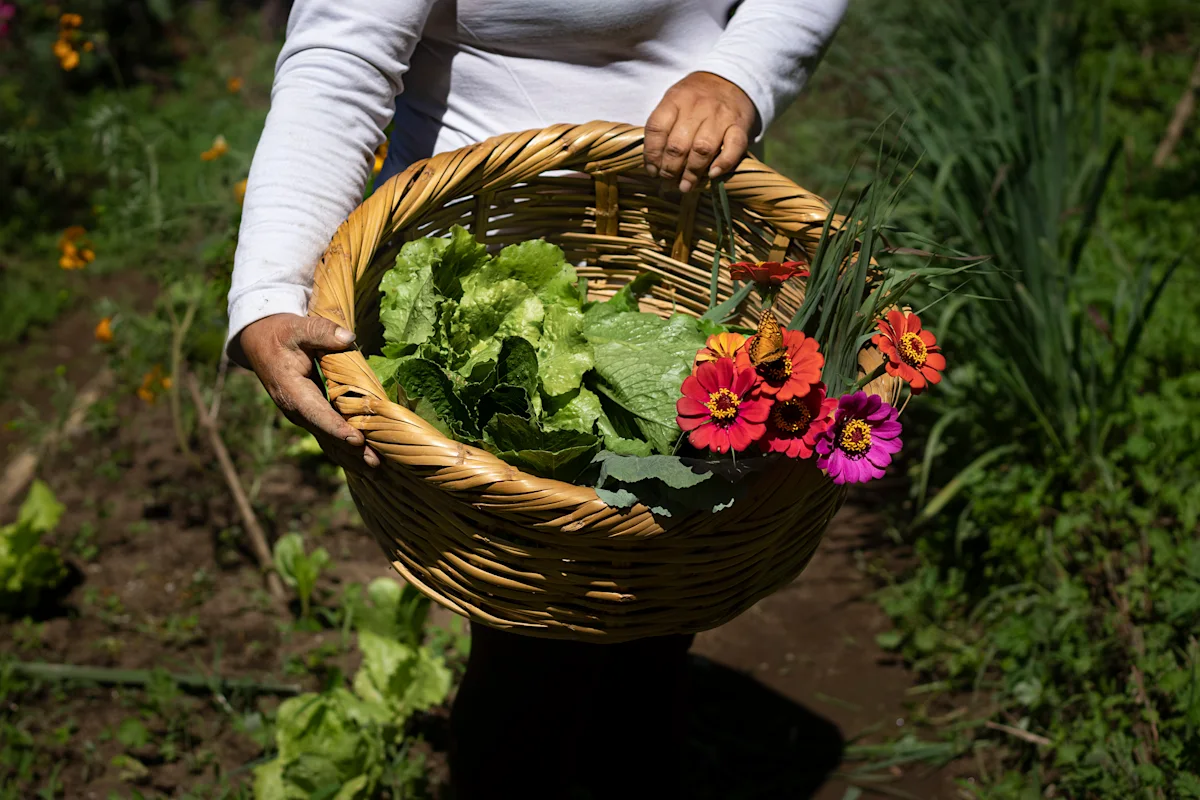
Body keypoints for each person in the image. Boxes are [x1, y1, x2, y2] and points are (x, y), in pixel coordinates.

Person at [226, 1, 848, 796]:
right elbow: (339, 63)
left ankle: (633, 746)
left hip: (684, 248)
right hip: (475, 249)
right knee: (532, 637)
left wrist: (740, 75)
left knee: (663, 587)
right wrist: (272, 291)